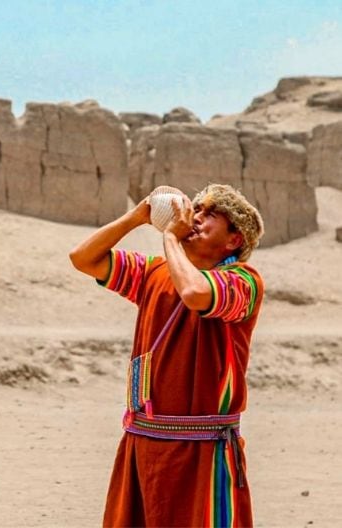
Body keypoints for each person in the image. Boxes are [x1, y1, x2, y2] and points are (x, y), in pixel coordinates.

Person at [68, 183, 265, 527]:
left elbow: (194, 293)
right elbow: (83, 258)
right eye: (197, 209)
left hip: (202, 452)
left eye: (211, 214)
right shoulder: (153, 273)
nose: (197, 217)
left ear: (234, 240)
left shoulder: (243, 281)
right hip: (142, 440)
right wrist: (137, 216)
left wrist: (171, 239)